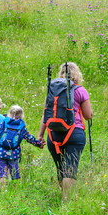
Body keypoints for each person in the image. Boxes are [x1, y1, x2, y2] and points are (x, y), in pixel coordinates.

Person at [38, 62, 93, 202]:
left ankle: (65, 197)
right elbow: (87, 115)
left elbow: (46, 114)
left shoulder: (52, 90)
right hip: (74, 134)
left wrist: (40, 135)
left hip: (53, 135)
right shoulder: (80, 90)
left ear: (60, 73)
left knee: (60, 168)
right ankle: (67, 203)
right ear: (77, 74)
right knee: (70, 168)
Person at [0, 105, 43, 189]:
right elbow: (29, 138)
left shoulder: (3, 123)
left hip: (1, 152)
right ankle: (15, 190)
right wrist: (39, 144)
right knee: (15, 172)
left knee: (2, 173)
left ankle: (3, 191)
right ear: (21, 116)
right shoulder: (21, 127)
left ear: (9, 114)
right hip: (14, 153)